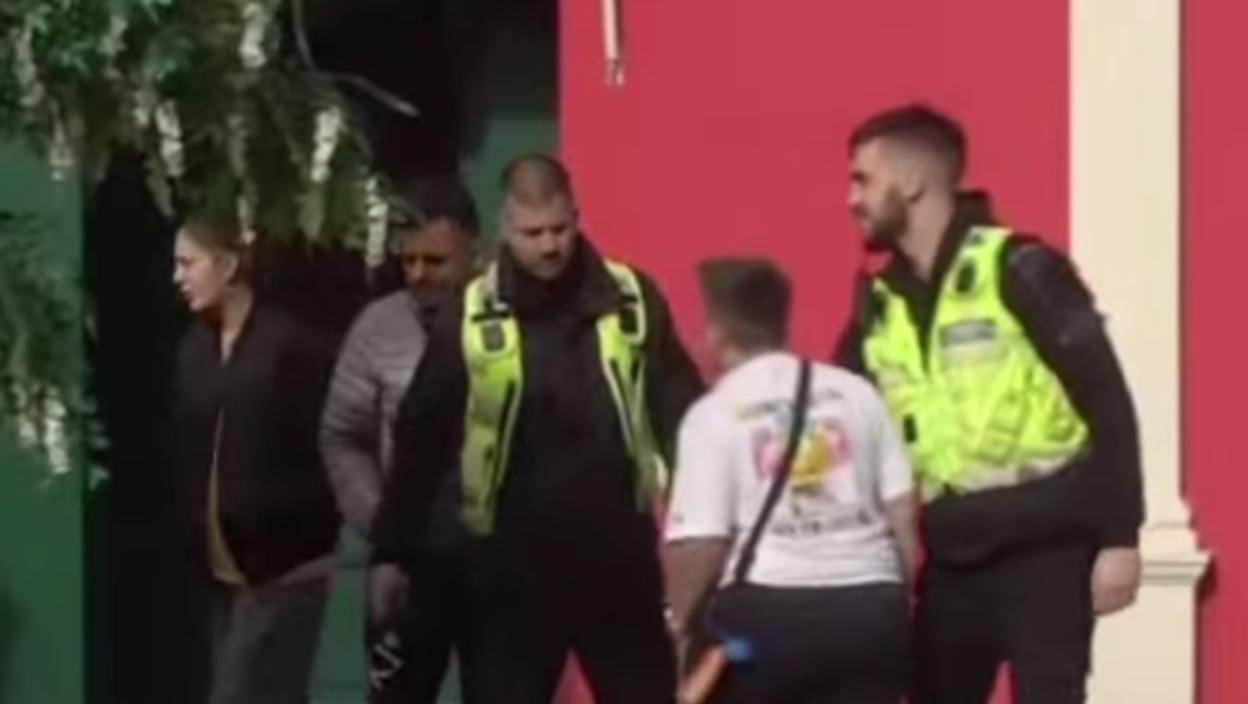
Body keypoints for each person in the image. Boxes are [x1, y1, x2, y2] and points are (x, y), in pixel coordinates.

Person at [833, 104, 1145, 704]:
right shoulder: (880, 303)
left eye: (863, 180)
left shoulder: (1021, 268)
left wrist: (1120, 539)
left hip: (1046, 547)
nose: (852, 200)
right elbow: (836, 418)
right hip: (951, 555)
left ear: (912, 182)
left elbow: (1106, 399)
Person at [371, 154, 704, 703]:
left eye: (559, 228)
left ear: (577, 217)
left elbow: (682, 414)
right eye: (533, 233)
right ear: (506, 227)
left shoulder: (631, 299)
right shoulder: (471, 314)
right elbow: (422, 437)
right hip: (509, 573)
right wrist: (394, 552)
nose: (550, 246)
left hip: (616, 562)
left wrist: (705, 529)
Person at [664, 258, 917, 704]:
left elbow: (701, 543)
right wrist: (895, 592)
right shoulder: (856, 392)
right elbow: (903, 514)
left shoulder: (714, 413)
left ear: (718, 330)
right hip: (870, 610)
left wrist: (679, 618)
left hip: (769, 620)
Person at [319, 177, 482, 703]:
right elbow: (343, 434)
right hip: (407, 562)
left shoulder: (513, 324)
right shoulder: (378, 327)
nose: (418, 274)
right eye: (408, 260)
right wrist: (381, 519)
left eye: (435, 261)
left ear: (475, 252)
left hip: (497, 560)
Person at [170, 214, 339, 704]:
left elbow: (326, 443)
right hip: (220, 573)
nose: (178, 277)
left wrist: (310, 542)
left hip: (284, 571)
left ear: (226, 266)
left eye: (188, 263)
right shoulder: (195, 349)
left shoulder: (289, 346)